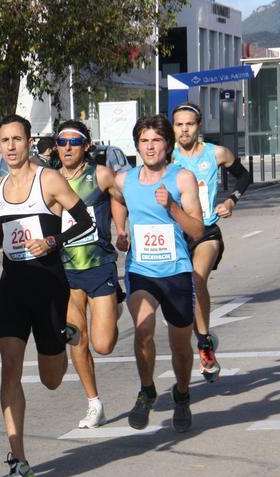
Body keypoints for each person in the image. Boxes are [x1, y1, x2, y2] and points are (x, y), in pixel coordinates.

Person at [0, 114, 92, 477]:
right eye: (4, 140)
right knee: (10, 369)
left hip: (49, 284)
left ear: (29, 142)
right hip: (13, 286)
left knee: (50, 379)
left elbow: (85, 222)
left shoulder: (48, 179)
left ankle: (65, 336)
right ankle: (18, 459)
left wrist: (51, 241)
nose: (11, 146)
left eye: (17, 139)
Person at [114, 114, 204, 433]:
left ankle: (181, 394)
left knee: (180, 346)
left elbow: (197, 229)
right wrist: (121, 230)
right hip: (141, 270)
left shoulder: (182, 179)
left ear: (167, 144)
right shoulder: (125, 179)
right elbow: (115, 198)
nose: (150, 147)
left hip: (177, 271)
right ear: (137, 145)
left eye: (156, 140)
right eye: (144, 141)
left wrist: (172, 209)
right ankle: (147, 390)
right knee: (143, 331)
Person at [171, 102, 252, 382]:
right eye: (179, 124)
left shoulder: (215, 153)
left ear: (199, 126)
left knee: (196, 280)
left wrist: (232, 200)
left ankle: (204, 346)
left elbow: (245, 175)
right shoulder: (166, 158)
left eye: (189, 124)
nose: (184, 129)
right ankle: (204, 335)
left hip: (206, 231)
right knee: (183, 292)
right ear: (173, 128)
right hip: (176, 234)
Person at [53, 121, 127, 429]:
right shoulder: (50, 178)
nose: (67, 147)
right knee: (76, 338)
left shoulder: (100, 174)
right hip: (65, 270)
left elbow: (119, 199)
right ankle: (94, 403)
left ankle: (114, 305)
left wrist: (121, 229)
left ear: (86, 145)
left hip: (98, 265)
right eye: (62, 141)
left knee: (103, 344)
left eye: (74, 141)